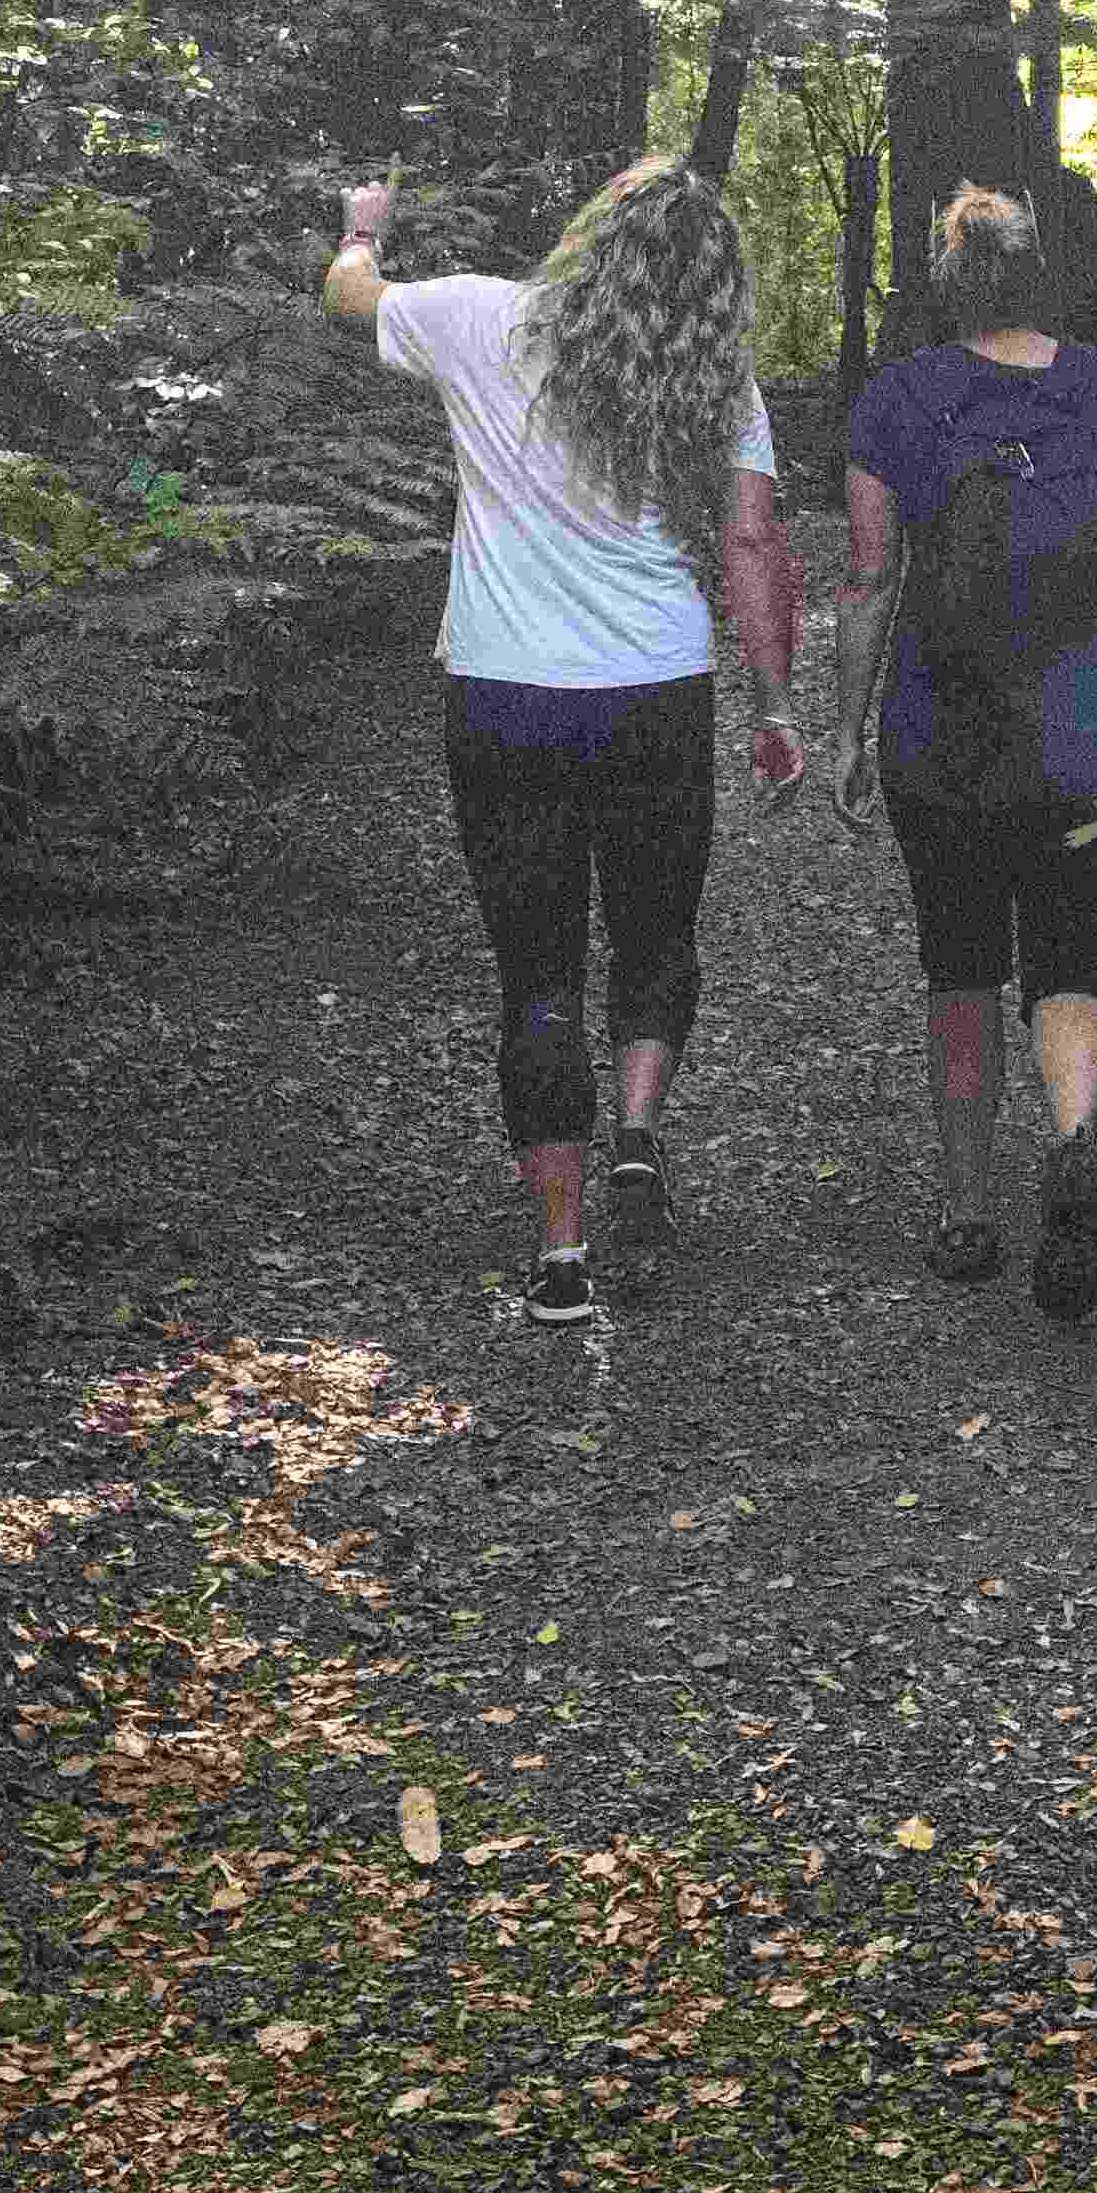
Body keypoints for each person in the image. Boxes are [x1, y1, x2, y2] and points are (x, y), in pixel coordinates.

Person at [328, 160, 792, 1330]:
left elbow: (349, 296)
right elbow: (748, 540)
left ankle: (561, 1251)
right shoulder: (715, 374)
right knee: (654, 933)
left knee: (537, 973)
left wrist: (360, 227)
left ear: (591, 232)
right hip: (657, 692)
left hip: (506, 696)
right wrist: (777, 705)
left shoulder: (480, 315)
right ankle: (636, 1133)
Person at [844, 181, 1097, 1320]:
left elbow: (873, 574)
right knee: (1076, 960)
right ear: (1037, 270)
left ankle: (969, 1206)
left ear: (946, 278)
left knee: (962, 961)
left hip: (950, 721)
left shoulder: (902, 399)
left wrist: (843, 725)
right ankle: (1074, 1136)